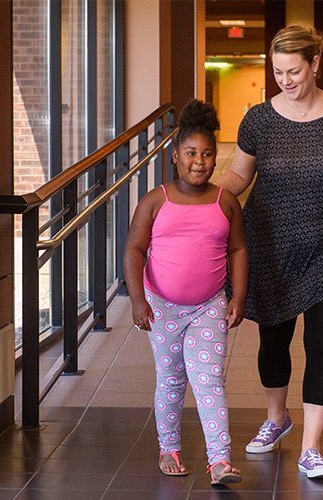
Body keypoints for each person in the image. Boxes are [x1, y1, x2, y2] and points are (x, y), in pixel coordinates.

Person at [217, 24, 323, 479]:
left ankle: (311, 447)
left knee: (321, 343)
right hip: (269, 244)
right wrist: (203, 200)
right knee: (273, 341)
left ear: (315, 63)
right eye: (277, 72)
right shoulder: (258, 119)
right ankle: (277, 418)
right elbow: (238, 177)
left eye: (294, 71)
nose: (285, 81)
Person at [123, 98, 248, 486]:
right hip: (162, 308)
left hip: (209, 307)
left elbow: (239, 250)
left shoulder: (224, 201)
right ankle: (169, 448)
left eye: (208, 153)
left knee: (209, 381)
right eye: (191, 153)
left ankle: (220, 461)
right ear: (175, 156)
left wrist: (237, 297)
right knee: (172, 379)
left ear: (216, 158)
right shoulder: (155, 201)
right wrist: (138, 300)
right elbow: (134, 250)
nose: (200, 161)